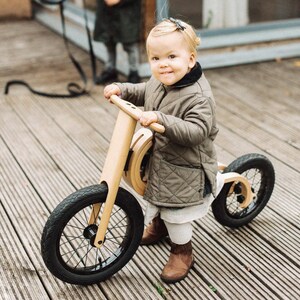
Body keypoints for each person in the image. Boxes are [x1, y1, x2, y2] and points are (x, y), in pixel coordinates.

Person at [104, 18, 222, 283]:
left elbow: (196, 132)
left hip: (187, 164)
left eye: (171, 56)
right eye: (155, 58)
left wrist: (161, 119)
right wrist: (122, 89)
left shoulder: (198, 96)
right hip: (161, 157)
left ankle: (182, 251)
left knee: (177, 213)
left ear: (190, 59)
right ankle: (158, 226)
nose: (163, 64)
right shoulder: (162, 80)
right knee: (154, 193)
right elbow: (146, 90)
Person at [93, 0, 142, 84]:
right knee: (109, 43)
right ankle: (110, 70)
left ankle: (134, 72)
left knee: (130, 44)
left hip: (127, 13)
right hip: (106, 13)